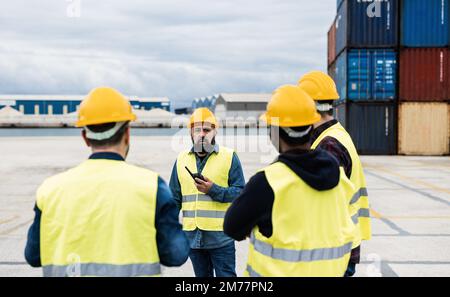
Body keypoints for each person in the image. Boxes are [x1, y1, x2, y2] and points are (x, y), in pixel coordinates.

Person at [24, 87, 189, 277]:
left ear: (85, 138)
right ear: (127, 134)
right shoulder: (152, 187)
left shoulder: (50, 189)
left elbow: (33, 255)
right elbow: (176, 254)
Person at [224, 85, 356, 277]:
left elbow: (232, 227)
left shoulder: (267, 182)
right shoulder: (339, 176)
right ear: (312, 128)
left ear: (274, 133)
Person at [299, 71, 371, 276]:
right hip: (341, 243)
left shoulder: (328, 145)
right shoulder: (335, 134)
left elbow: (323, 202)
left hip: (334, 250)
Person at [169, 108, 245, 277]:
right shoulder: (181, 160)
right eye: (197, 130)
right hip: (192, 239)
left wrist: (214, 190)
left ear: (214, 132)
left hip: (221, 238)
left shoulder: (229, 157)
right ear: (190, 132)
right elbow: (174, 199)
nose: (202, 134)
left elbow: (241, 193)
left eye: (206, 130)